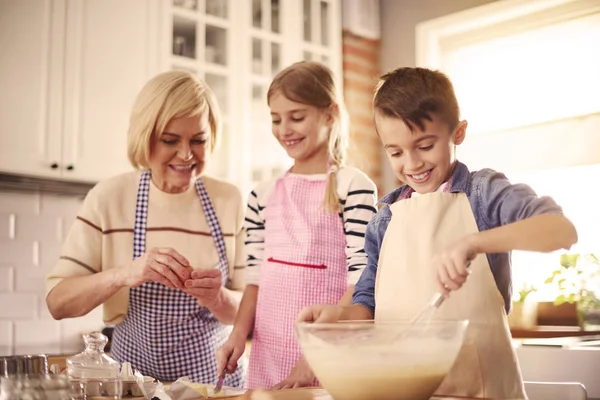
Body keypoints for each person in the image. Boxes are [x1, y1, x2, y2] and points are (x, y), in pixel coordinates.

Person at [298, 67, 578, 399]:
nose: (412, 163)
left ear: (457, 133)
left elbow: (561, 231)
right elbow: (367, 306)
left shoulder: (482, 194)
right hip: (403, 389)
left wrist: (474, 242)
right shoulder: (384, 219)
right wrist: (339, 317)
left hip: (484, 391)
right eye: (396, 152)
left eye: (425, 145)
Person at [45, 70, 247, 386]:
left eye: (198, 140)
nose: (186, 154)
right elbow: (58, 303)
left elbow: (249, 312)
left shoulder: (230, 201)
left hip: (213, 387)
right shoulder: (109, 198)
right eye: (170, 140)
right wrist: (126, 273)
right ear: (145, 136)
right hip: (131, 387)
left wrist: (217, 297)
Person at [216, 61, 378, 389]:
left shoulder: (353, 186)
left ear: (330, 114)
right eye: (276, 119)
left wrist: (314, 356)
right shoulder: (261, 195)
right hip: (268, 354)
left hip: (331, 357)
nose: (284, 129)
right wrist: (236, 335)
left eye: (297, 117)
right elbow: (255, 279)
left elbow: (361, 280)